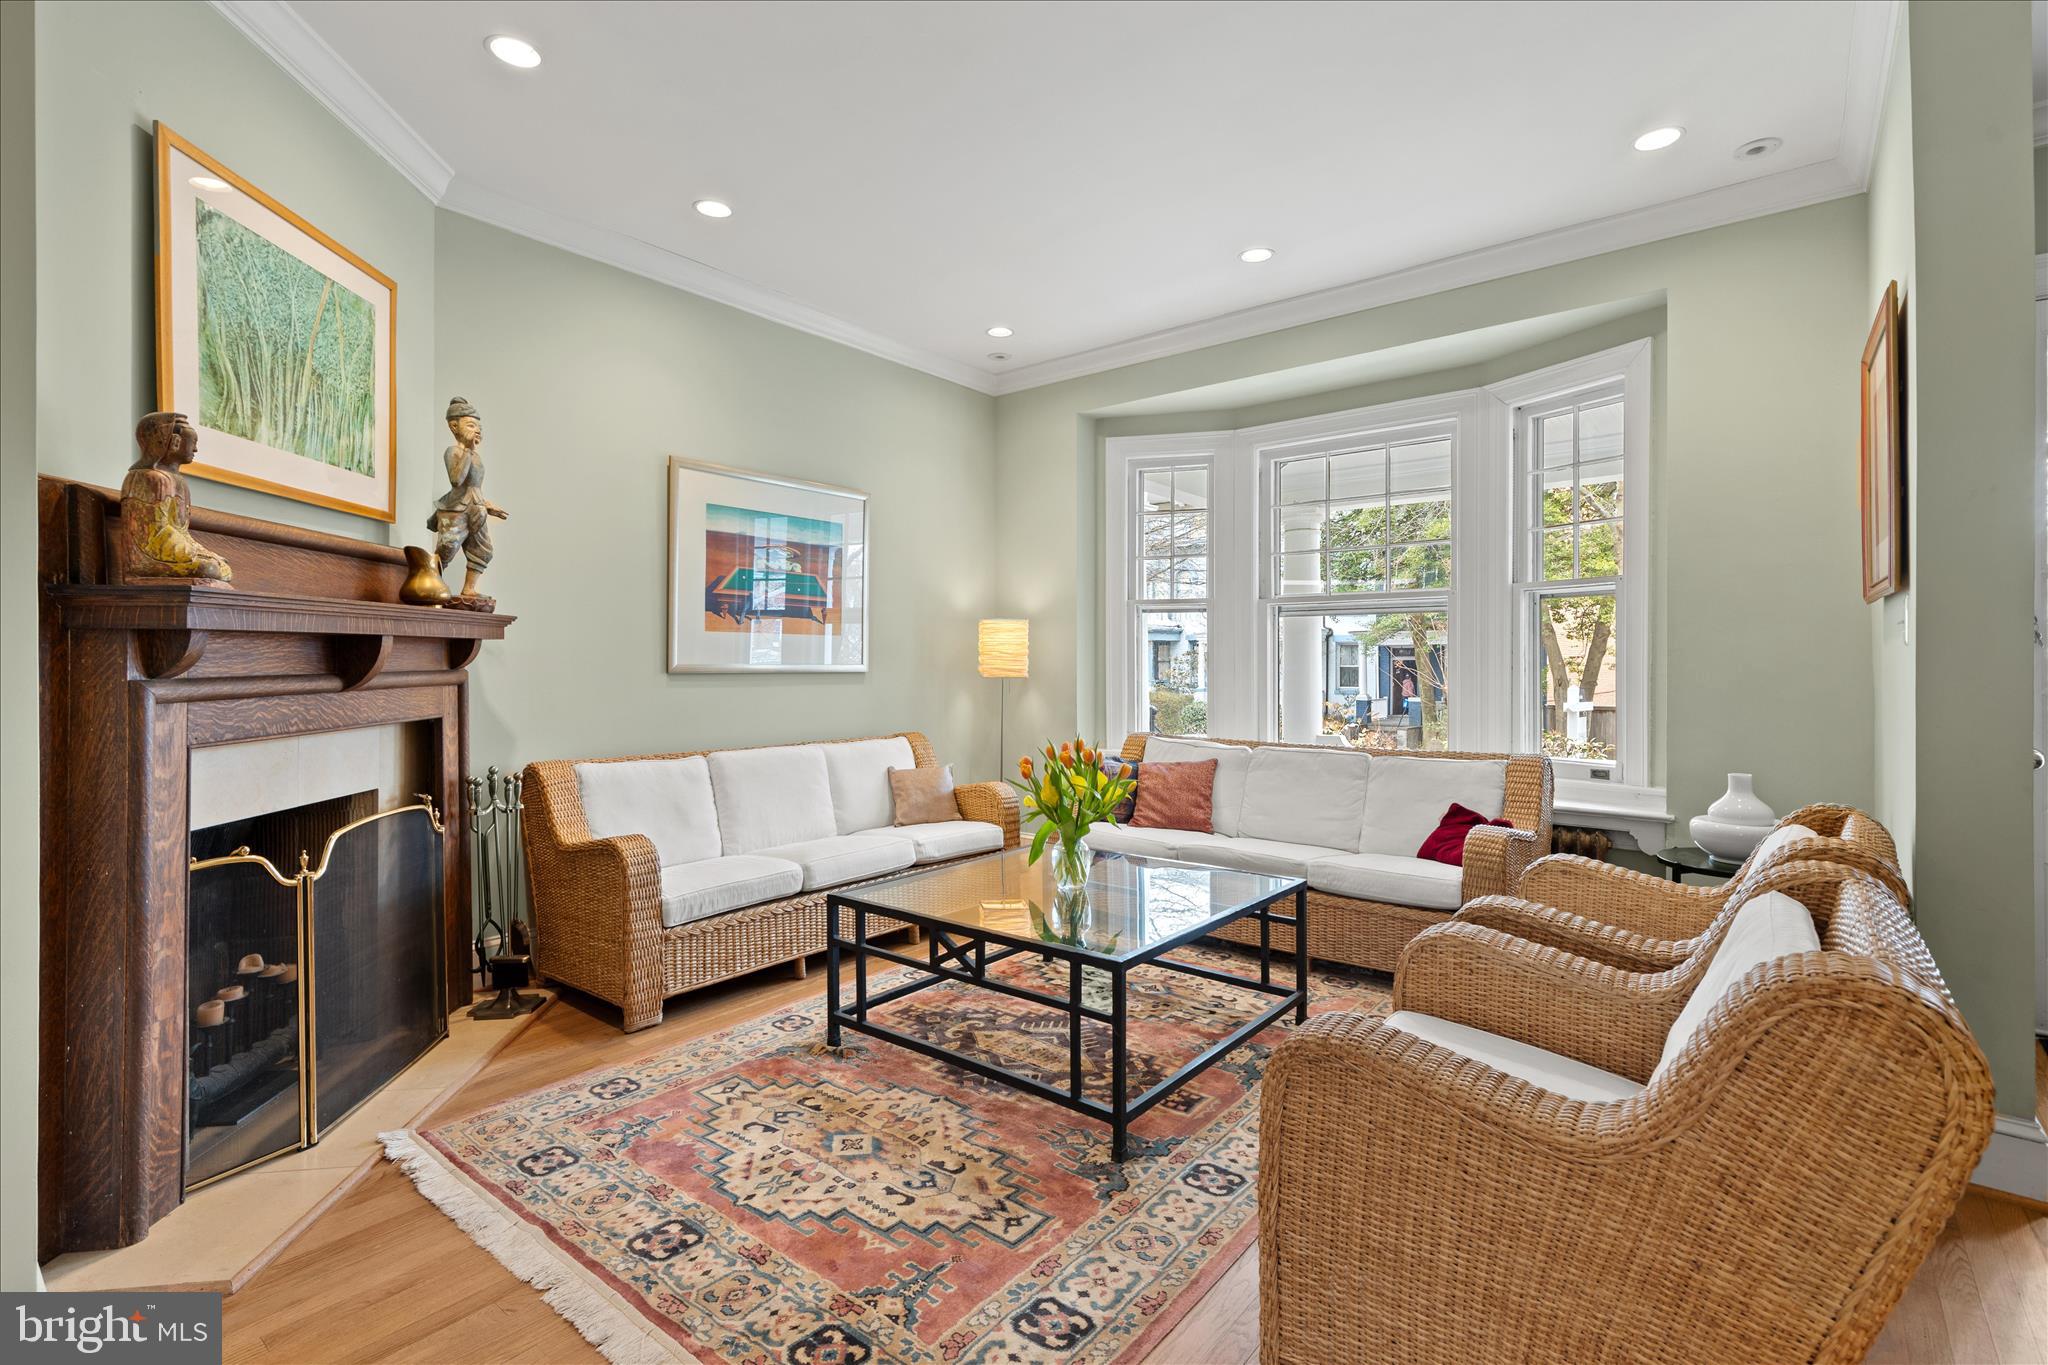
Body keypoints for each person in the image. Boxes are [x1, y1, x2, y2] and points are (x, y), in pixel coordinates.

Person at [431, 396, 507, 601]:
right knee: (447, 548)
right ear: (454, 426)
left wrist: (487, 506)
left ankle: (469, 590)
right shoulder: (453, 452)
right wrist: (467, 451)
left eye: (479, 427)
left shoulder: (476, 457)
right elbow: (457, 480)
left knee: (483, 550)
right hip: (455, 509)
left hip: (476, 509)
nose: (477, 430)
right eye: (471, 425)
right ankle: (430, 584)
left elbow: (474, 487)